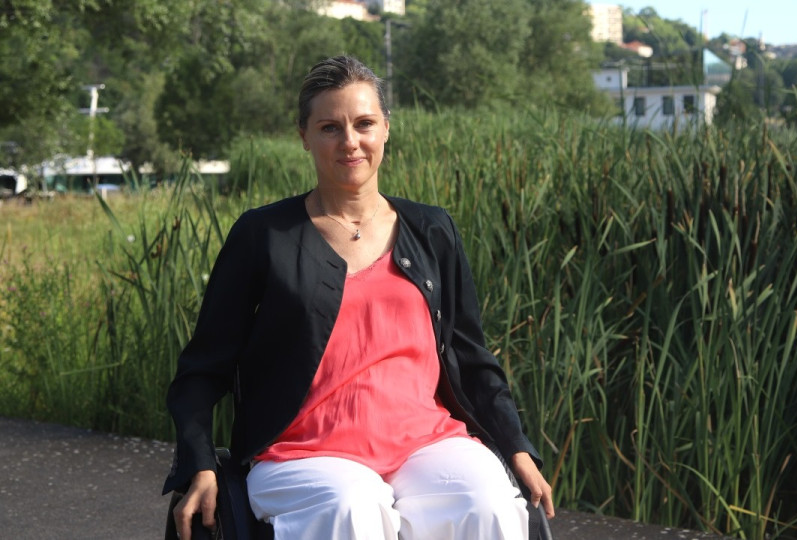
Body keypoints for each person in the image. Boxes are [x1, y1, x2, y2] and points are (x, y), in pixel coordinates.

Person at [162, 55, 553, 540]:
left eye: (364, 124)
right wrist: (198, 464)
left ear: (386, 129)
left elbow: (472, 357)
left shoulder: (432, 230)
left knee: (488, 502)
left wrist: (515, 447)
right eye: (330, 127)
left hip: (425, 442)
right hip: (304, 451)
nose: (350, 142)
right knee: (354, 506)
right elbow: (203, 369)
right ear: (303, 135)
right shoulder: (263, 236)